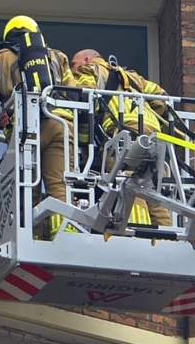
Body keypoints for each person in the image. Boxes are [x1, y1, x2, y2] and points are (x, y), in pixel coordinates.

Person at [0, 16, 75, 213]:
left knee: (26, 194)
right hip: (58, 125)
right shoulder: (57, 57)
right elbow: (71, 95)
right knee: (59, 188)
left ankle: (32, 235)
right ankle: (62, 233)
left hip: (22, 130)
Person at [71, 49, 172, 226]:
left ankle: (139, 237)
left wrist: (83, 144)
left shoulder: (88, 70)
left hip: (125, 134)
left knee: (129, 186)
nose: (72, 69)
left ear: (87, 59)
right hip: (153, 134)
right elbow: (161, 99)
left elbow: (85, 105)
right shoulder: (130, 76)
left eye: (73, 64)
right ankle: (167, 240)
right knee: (154, 195)